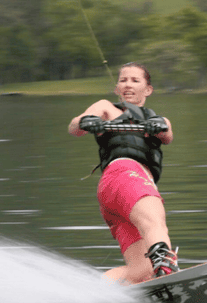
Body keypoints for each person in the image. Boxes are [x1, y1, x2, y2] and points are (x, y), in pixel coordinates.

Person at [68, 63, 178, 284]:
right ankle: (167, 272)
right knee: (155, 222)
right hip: (124, 175)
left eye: (135, 80)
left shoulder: (160, 120)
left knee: (142, 271)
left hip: (116, 197)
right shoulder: (106, 108)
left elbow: (167, 135)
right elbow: (74, 127)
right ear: (117, 88)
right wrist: (87, 120)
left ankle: (93, 291)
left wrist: (157, 126)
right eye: (123, 80)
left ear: (148, 89)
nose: (128, 84)